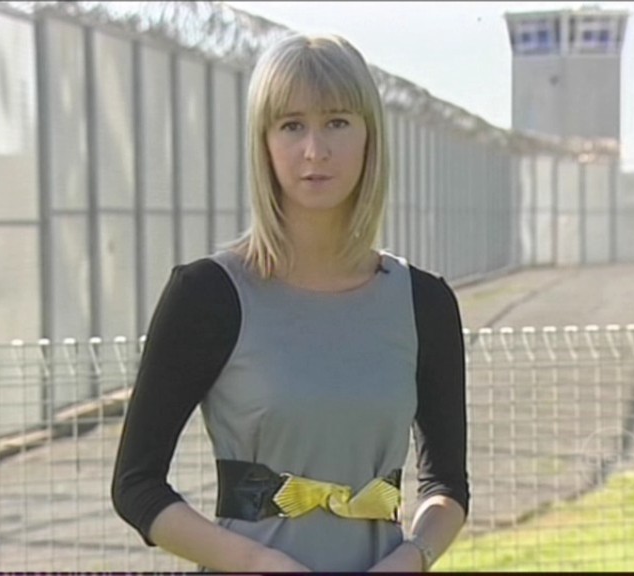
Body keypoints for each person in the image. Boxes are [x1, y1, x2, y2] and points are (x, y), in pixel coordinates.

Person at [111, 33, 469, 572]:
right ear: (264, 142)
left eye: (337, 122)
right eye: (292, 125)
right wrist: (258, 563)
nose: (315, 150)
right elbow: (136, 484)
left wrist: (413, 557)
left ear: (370, 136)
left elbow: (447, 486)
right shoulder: (208, 295)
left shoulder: (424, 303)